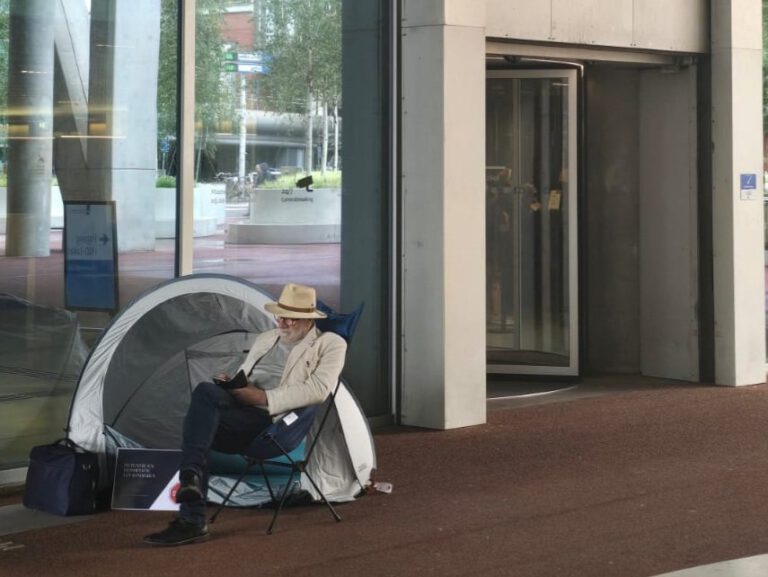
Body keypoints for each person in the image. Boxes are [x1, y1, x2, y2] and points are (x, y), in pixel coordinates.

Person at [144, 283, 347, 546]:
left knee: (200, 429)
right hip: (241, 403)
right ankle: (190, 478)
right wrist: (233, 384)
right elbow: (246, 375)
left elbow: (319, 389)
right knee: (206, 391)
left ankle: (192, 517)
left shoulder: (329, 344)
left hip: (270, 419)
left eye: (290, 317)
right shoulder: (267, 338)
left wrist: (263, 398)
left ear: (308, 319)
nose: (282, 322)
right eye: (279, 315)